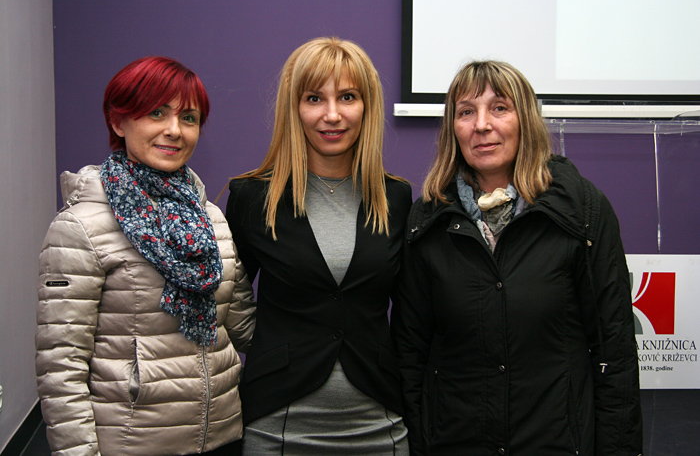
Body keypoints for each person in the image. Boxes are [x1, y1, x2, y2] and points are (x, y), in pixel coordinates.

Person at [392, 60, 643, 455]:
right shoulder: (427, 221)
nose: (481, 125)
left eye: (499, 108)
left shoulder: (582, 211)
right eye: (466, 112)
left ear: (524, 119)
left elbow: (615, 353)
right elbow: (410, 355)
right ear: (452, 129)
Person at [36, 56, 256, 456]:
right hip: (132, 443)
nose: (174, 130)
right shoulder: (80, 226)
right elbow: (61, 367)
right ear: (118, 122)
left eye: (188, 118)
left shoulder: (211, 219)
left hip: (223, 435)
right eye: (157, 113)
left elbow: (244, 328)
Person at [225, 37, 412, 455]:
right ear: (293, 107)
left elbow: (411, 319)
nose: (332, 115)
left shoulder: (395, 198)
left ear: (367, 107)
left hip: (380, 427)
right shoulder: (253, 198)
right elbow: (228, 307)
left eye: (347, 97)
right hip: (278, 431)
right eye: (314, 98)